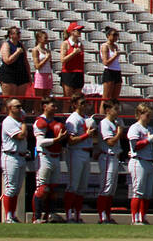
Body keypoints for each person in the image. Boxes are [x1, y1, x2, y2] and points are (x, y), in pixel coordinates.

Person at [33, 96, 68, 223]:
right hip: (44, 156)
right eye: (52, 105)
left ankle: (50, 215)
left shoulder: (57, 121)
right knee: (42, 189)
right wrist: (56, 140)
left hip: (55, 156)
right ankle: (36, 217)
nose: (55, 108)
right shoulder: (40, 122)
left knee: (53, 188)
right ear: (44, 106)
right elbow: (40, 142)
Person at [64, 95, 97, 223]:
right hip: (75, 152)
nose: (85, 105)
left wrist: (93, 133)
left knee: (82, 186)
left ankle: (77, 215)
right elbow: (71, 141)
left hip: (86, 151)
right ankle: (68, 215)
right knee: (73, 185)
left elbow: (94, 138)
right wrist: (86, 135)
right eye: (82, 103)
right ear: (75, 104)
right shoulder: (73, 119)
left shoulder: (86, 119)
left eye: (85, 103)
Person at [125, 103, 153, 225]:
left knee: (147, 193)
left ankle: (143, 217)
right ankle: (135, 218)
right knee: (138, 191)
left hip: (148, 160)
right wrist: (147, 140)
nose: (149, 118)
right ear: (140, 114)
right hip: (138, 160)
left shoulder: (149, 129)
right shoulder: (135, 128)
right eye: (147, 115)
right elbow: (135, 146)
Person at [1, 98, 29, 223]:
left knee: (17, 188)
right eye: (17, 106)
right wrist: (23, 123)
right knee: (10, 187)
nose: (20, 108)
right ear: (10, 108)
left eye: (20, 106)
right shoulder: (8, 121)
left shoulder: (17, 121)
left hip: (21, 156)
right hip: (10, 156)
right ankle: (8, 216)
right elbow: (20, 136)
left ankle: (12, 215)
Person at [96, 99, 124, 224]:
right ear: (108, 110)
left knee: (112, 189)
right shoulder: (105, 123)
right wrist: (118, 133)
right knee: (106, 187)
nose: (118, 112)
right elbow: (110, 142)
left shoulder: (115, 122)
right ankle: (102, 217)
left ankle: (107, 215)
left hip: (115, 157)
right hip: (107, 155)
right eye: (115, 109)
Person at [0, 26, 30, 99]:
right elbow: (7, 60)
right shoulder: (6, 44)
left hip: (21, 73)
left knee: (19, 99)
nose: (19, 35)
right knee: (8, 100)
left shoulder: (20, 45)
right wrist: (17, 52)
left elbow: (25, 60)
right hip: (9, 74)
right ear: (11, 35)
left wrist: (28, 75)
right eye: (17, 33)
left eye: (19, 33)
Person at [60, 22, 85, 101]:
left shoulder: (80, 44)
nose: (80, 31)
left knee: (77, 100)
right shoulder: (65, 43)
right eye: (78, 30)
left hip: (79, 73)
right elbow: (62, 60)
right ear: (72, 31)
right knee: (68, 100)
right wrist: (74, 53)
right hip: (68, 73)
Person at [99, 27, 123, 107]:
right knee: (106, 98)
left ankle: (113, 114)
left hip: (117, 71)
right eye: (114, 35)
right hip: (109, 72)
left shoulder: (115, 46)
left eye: (117, 35)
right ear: (108, 35)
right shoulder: (105, 46)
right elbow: (106, 62)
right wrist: (115, 56)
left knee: (114, 98)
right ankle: (102, 116)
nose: (116, 37)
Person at [30, 30, 53, 100]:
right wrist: (46, 58)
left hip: (48, 74)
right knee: (38, 98)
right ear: (39, 39)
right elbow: (37, 66)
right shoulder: (35, 50)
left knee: (46, 98)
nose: (46, 40)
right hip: (40, 75)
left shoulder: (47, 51)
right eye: (45, 38)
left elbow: (50, 64)